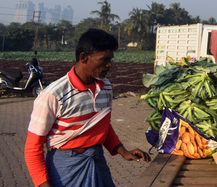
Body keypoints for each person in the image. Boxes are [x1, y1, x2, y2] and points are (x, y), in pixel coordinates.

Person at [24, 28, 151, 187]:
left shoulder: (105, 87)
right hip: (67, 167)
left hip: (97, 160)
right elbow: (32, 148)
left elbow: (102, 125)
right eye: (104, 59)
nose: (109, 65)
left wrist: (122, 151)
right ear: (84, 57)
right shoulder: (53, 95)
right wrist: (43, 184)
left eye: (110, 59)